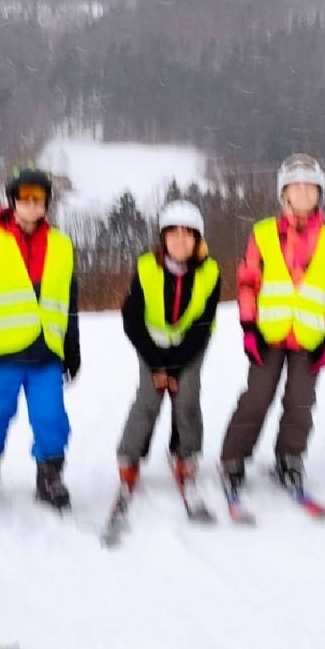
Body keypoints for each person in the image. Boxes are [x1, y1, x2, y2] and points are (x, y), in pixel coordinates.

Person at [218, 154, 325, 494]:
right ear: (284, 194)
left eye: (311, 189)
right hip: (269, 333)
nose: (304, 195)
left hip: (310, 336)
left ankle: (290, 457)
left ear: (320, 194)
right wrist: (249, 329)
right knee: (257, 397)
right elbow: (248, 282)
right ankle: (233, 458)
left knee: (301, 401)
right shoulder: (263, 234)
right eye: (297, 188)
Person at [0, 166, 81, 511]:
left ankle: (50, 475)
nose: (31, 205)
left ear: (46, 204)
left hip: (46, 354)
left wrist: (72, 348)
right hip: (4, 355)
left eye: (38, 199)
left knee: (51, 417)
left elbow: (68, 302)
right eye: (24, 199)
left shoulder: (60, 246)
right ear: (13, 202)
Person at [114, 199, 222, 492]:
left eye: (188, 234)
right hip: (152, 342)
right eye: (173, 233)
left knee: (186, 396)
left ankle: (185, 451)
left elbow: (202, 324)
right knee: (149, 398)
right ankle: (130, 454)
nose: (180, 240)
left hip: (191, 345)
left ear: (198, 240)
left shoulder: (210, 273)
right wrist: (158, 364)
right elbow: (131, 318)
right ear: (163, 238)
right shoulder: (147, 268)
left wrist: (176, 365)